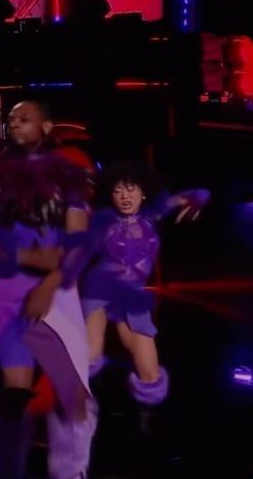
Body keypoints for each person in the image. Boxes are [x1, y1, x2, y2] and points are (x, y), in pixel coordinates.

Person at [0, 100, 98, 479]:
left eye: (25, 119)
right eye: (11, 119)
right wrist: (34, 258)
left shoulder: (69, 176)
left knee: (72, 394)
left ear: (47, 126)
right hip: (9, 290)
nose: (14, 124)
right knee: (13, 395)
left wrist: (52, 280)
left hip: (58, 288)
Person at [81, 161, 209, 426]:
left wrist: (198, 200)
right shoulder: (102, 220)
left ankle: (146, 421)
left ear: (143, 192)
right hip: (100, 290)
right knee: (90, 355)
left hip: (132, 296)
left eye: (131, 189)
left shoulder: (152, 215)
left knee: (149, 371)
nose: (125, 196)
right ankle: (83, 406)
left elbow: (199, 193)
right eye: (118, 190)